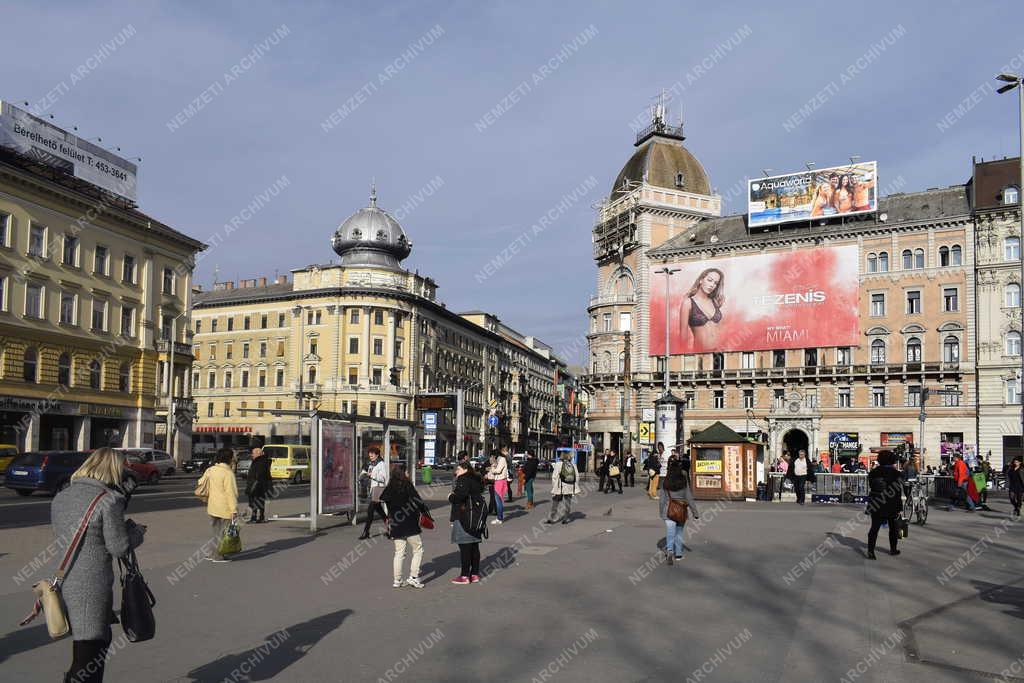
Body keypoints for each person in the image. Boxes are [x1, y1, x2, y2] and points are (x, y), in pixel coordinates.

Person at [52, 448, 146, 683]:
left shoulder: (61, 496)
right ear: (113, 469)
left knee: (86, 647)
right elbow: (118, 547)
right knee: (90, 652)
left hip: (66, 579)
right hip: (91, 585)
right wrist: (136, 533)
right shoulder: (109, 501)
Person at [380, 465, 430, 589]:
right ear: (402, 473)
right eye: (407, 471)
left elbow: (381, 499)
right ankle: (413, 577)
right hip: (410, 522)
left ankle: (397, 580)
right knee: (418, 549)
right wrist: (425, 513)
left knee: (399, 552)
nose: (408, 473)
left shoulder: (390, 488)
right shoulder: (407, 485)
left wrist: (387, 516)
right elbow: (418, 501)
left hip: (396, 523)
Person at [197, 448, 239, 562]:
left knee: (216, 532)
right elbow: (231, 493)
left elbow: (200, 482)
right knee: (223, 533)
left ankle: (212, 553)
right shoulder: (228, 473)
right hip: (225, 508)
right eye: (233, 457)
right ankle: (218, 555)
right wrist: (234, 510)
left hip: (212, 506)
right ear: (229, 459)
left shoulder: (211, 469)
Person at [448, 461, 485, 585]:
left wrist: (450, 497)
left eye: (458, 469)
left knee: (465, 547)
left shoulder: (463, 479)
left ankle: (464, 576)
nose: (456, 472)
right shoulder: (476, 479)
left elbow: (460, 496)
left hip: (465, 517)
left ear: (464, 469)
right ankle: (474, 574)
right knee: (475, 547)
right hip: (476, 518)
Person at [659, 455, 699, 564]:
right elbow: (689, 497)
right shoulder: (683, 481)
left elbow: (662, 498)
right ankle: (679, 554)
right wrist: (695, 513)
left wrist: (661, 512)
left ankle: (670, 551)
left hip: (668, 510)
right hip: (681, 510)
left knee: (670, 531)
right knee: (679, 532)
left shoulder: (666, 481)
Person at [865, 449, 904, 560]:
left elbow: (872, 486)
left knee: (874, 528)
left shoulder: (873, 472)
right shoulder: (897, 474)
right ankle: (893, 549)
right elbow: (899, 491)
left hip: (877, 502)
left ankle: (871, 551)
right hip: (892, 503)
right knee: (893, 528)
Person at [679, 268, 725, 352]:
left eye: (715, 283)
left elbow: (720, 330)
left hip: (719, 352)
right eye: (709, 280)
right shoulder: (688, 303)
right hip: (701, 354)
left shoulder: (714, 302)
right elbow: (683, 337)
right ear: (701, 280)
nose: (712, 285)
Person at [359, 446, 389, 540]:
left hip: (378, 489)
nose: (370, 457)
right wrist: (364, 474)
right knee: (380, 511)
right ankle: (391, 528)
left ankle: (366, 532)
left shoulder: (381, 464)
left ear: (377, 455)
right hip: (373, 489)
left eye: (372, 455)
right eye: (369, 455)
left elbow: (383, 478)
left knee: (370, 511)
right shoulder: (371, 464)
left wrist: (371, 475)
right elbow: (367, 472)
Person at [546, 450, 581, 525]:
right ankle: (566, 519)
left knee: (555, 503)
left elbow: (554, 477)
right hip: (569, 487)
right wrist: (574, 487)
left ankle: (551, 518)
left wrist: (554, 487)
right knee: (567, 503)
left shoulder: (558, 464)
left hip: (560, 487)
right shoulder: (573, 464)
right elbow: (577, 476)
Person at [245, 442, 272, 523]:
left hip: (257, 485)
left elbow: (258, 475)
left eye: (253, 453)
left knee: (254, 501)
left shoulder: (260, 462)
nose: (252, 455)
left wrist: (252, 484)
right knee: (259, 501)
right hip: (260, 485)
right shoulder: (262, 461)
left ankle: (254, 518)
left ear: (258, 454)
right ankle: (261, 517)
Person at [487, 450, 509, 525]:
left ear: (495, 455)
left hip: (500, 481)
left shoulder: (502, 459)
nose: (492, 457)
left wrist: (492, 468)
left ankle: (499, 518)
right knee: (498, 501)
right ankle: (499, 517)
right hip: (498, 481)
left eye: (492, 456)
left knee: (498, 501)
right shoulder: (499, 460)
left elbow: (498, 470)